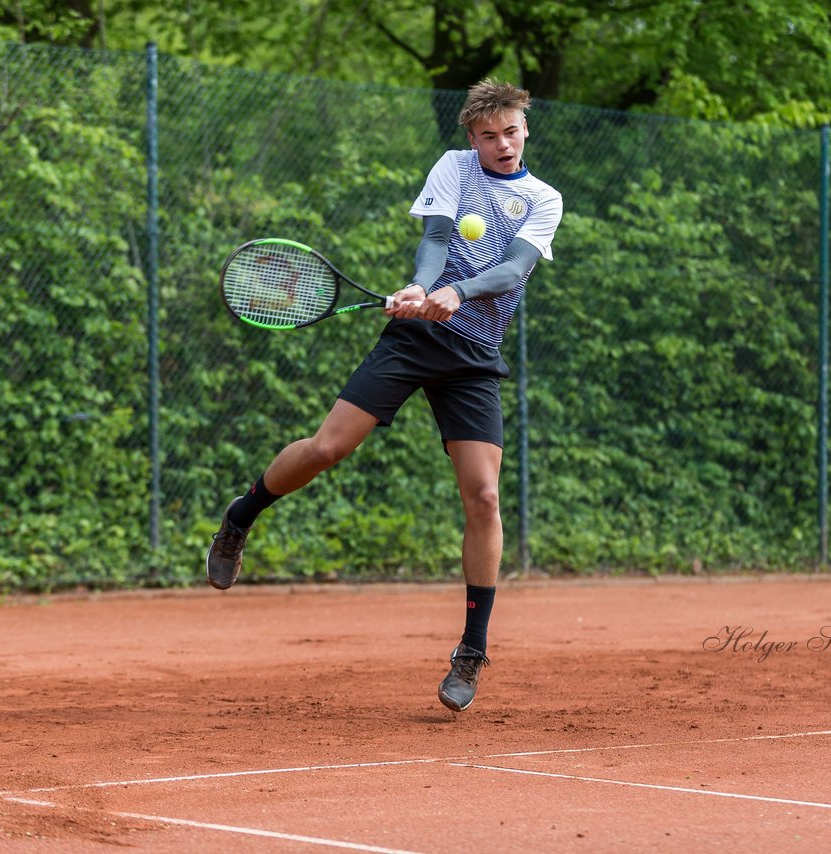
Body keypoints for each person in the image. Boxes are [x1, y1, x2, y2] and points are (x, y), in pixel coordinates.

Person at [206, 79, 563, 712]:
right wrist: (421, 288)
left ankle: (472, 651)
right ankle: (242, 515)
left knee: (483, 495)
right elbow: (433, 241)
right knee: (326, 449)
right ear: (472, 137)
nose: (502, 145)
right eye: (489, 136)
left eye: (511, 132)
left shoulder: (543, 199)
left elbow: (513, 270)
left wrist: (456, 293)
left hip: (474, 353)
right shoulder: (454, 168)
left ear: (525, 129)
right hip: (411, 341)